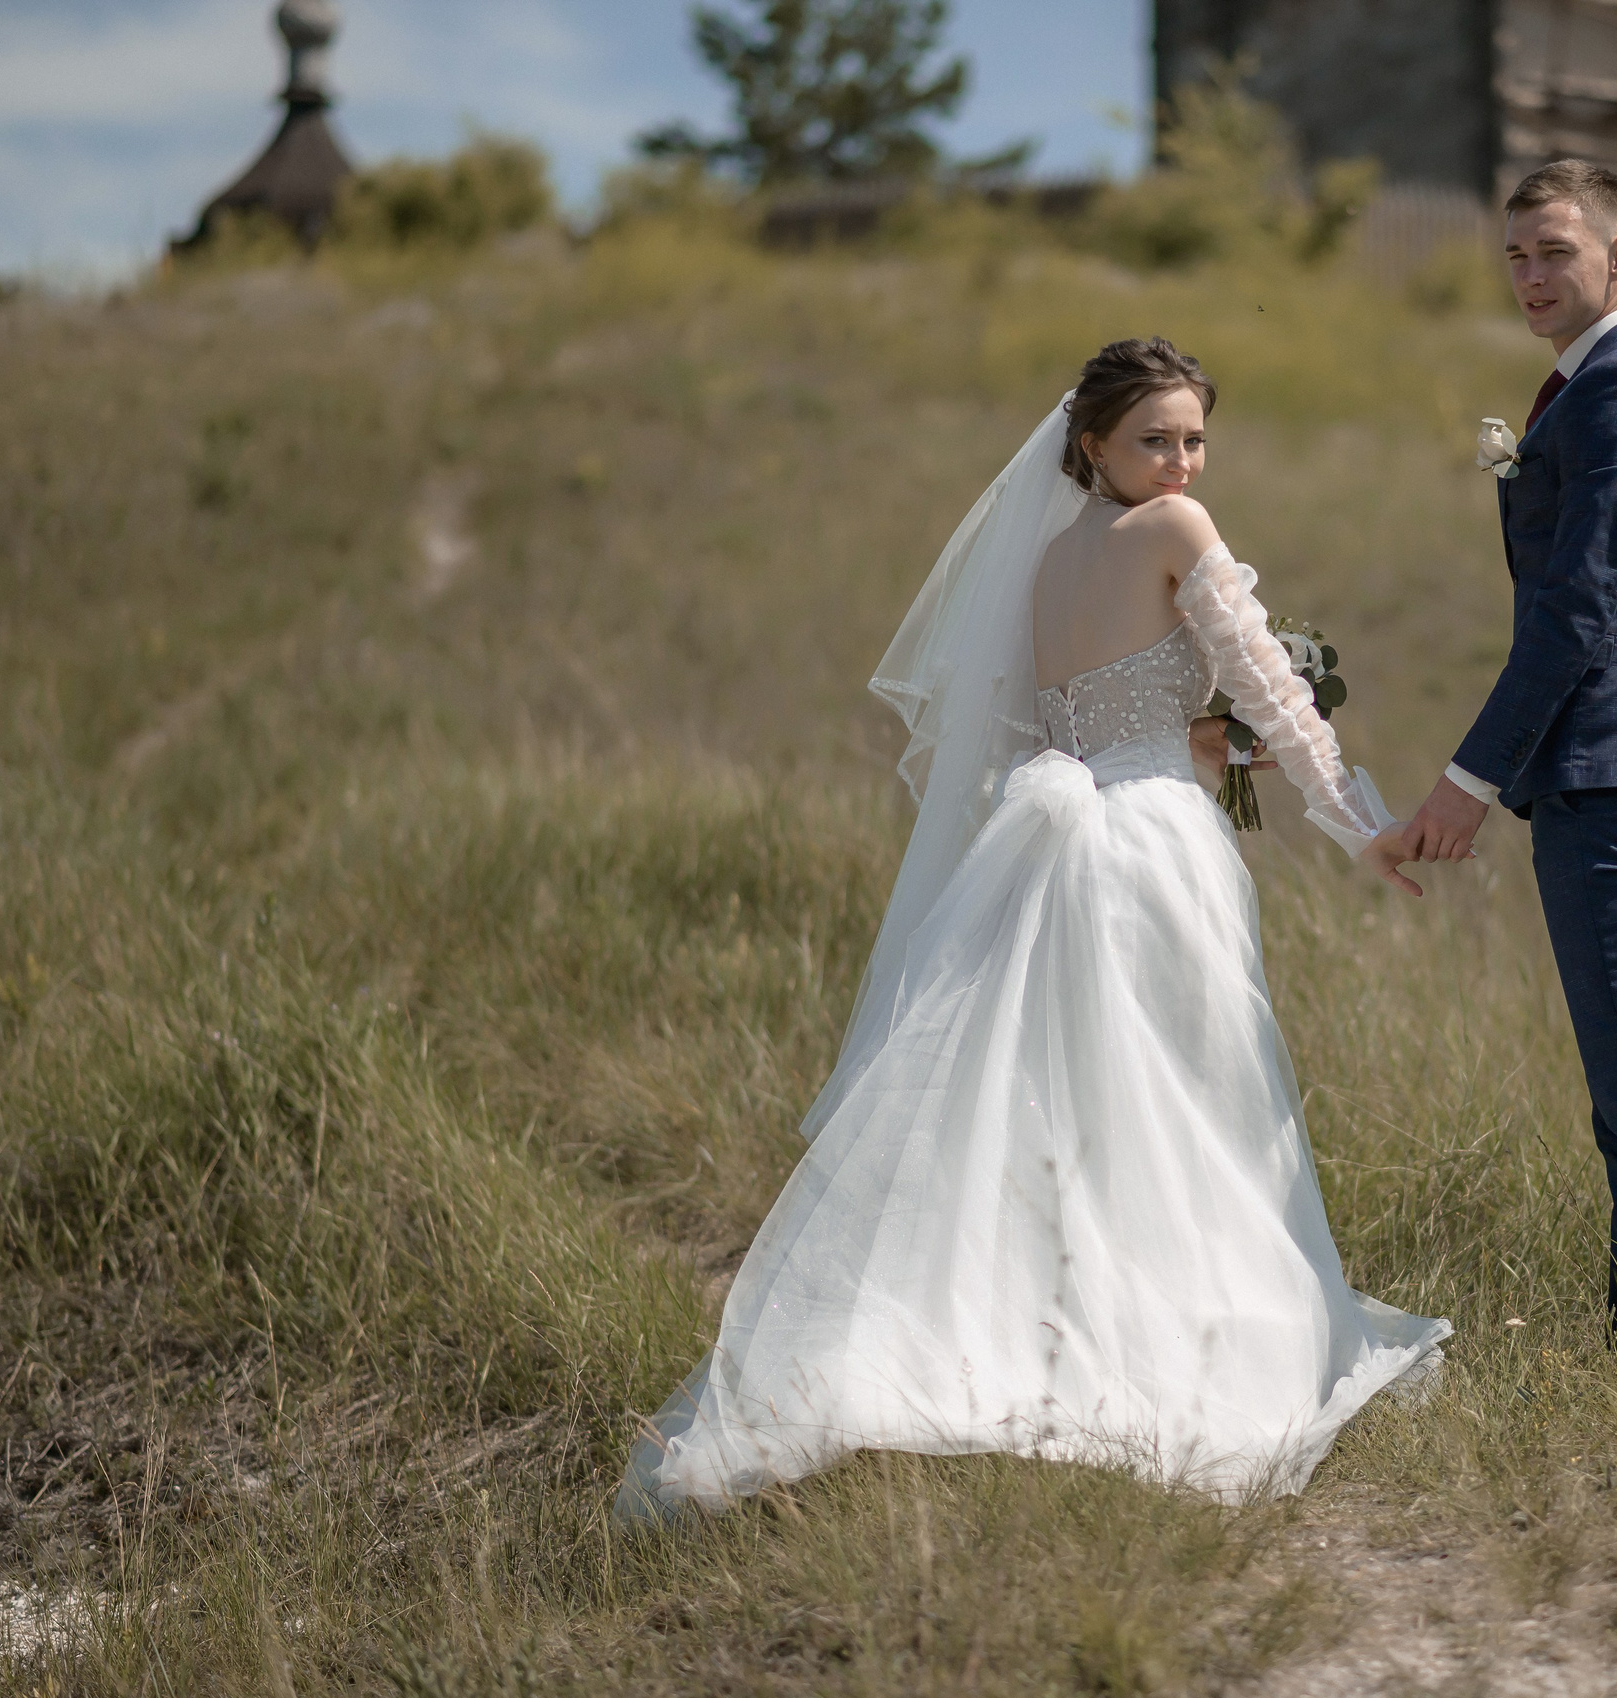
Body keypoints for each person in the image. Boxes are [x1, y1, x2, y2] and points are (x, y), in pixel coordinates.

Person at [618, 338, 1448, 1518]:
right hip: (1151, 845)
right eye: (1153, 438)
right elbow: (1267, 682)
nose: (1179, 461)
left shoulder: (1048, 558)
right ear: (1090, 445)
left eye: (1193, 438)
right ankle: (1181, 1343)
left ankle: (1045, 1324)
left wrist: (1198, 741)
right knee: (1187, 1101)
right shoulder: (1178, 533)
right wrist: (1354, 820)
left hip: (1058, 837)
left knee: (1070, 1102)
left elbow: (1082, 716)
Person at [1393, 159, 1617, 1359]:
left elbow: (1576, 614)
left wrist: (1469, 781)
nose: (1533, 276)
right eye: (1517, 256)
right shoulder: (1590, 389)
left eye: (1556, 251)